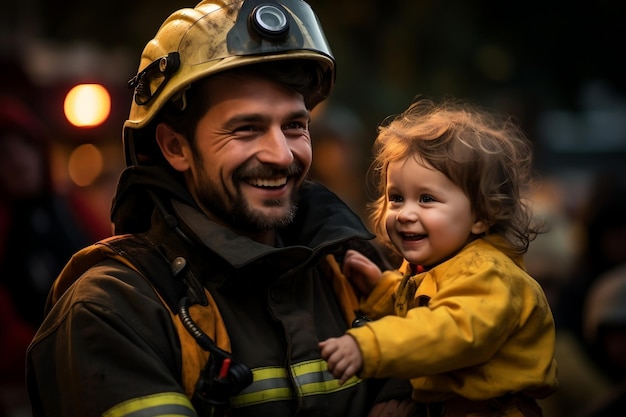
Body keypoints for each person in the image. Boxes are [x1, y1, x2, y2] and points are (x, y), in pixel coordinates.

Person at [26, 1, 411, 417]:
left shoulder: (364, 271)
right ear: (176, 147)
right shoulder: (113, 310)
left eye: (295, 126)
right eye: (247, 128)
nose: (282, 156)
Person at [319, 98, 559, 416]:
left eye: (427, 198)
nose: (405, 213)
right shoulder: (435, 265)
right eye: (397, 198)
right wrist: (383, 291)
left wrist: (371, 345)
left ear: (481, 215)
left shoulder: (488, 273)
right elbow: (426, 303)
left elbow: (449, 330)